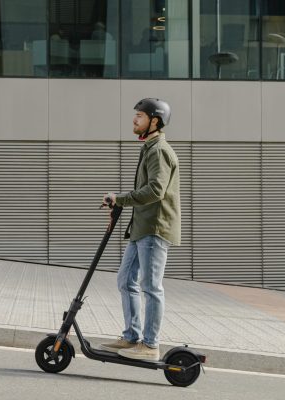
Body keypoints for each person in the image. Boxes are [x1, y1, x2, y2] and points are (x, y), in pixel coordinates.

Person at [100, 98, 181, 361]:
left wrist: (121, 198)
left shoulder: (159, 150)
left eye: (140, 116)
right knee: (126, 280)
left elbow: (156, 191)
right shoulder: (149, 148)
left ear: (154, 121)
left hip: (155, 229)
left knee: (151, 287)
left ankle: (150, 345)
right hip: (141, 228)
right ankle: (132, 337)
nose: (134, 120)